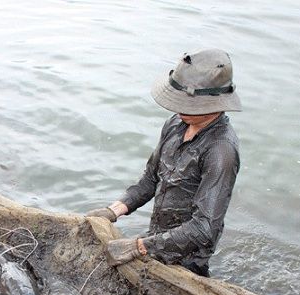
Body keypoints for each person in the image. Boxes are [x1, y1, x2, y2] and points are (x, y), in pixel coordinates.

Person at [86, 49, 241, 277]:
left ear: (215, 103)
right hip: (156, 237)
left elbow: (204, 228)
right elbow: (151, 179)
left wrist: (139, 246)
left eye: (188, 106)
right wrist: (114, 210)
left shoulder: (221, 150)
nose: (180, 110)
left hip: (188, 258)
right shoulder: (175, 124)